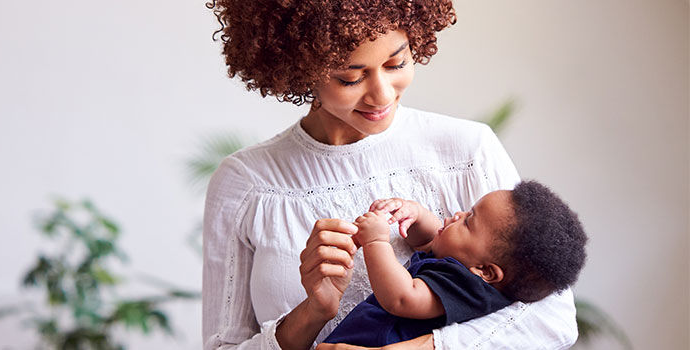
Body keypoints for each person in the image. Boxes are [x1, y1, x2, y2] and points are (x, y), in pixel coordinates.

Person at [202, 1, 578, 349]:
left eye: (396, 64)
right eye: (350, 78)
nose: (381, 95)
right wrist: (313, 310)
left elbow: (552, 319)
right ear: (299, 68)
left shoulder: (466, 149)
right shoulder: (246, 183)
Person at [322, 181, 588, 347]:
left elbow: (402, 298)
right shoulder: (464, 265)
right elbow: (429, 240)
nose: (458, 214)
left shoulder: (468, 288)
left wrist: (376, 241)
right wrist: (415, 213)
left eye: (469, 220)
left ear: (485, 271)